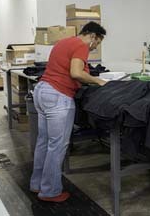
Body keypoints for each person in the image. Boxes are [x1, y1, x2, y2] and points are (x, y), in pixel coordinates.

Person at [30, 21, 107, 202]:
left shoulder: (64, 42)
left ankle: (37, 184)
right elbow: (76, 73)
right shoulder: (82, 45)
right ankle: (50, 191)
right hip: (58, 96)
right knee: (56, 146)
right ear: (93, 36)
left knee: (44, 142)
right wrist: (99, 81)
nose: (95, 47)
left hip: (42, 91)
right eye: (98, 43)